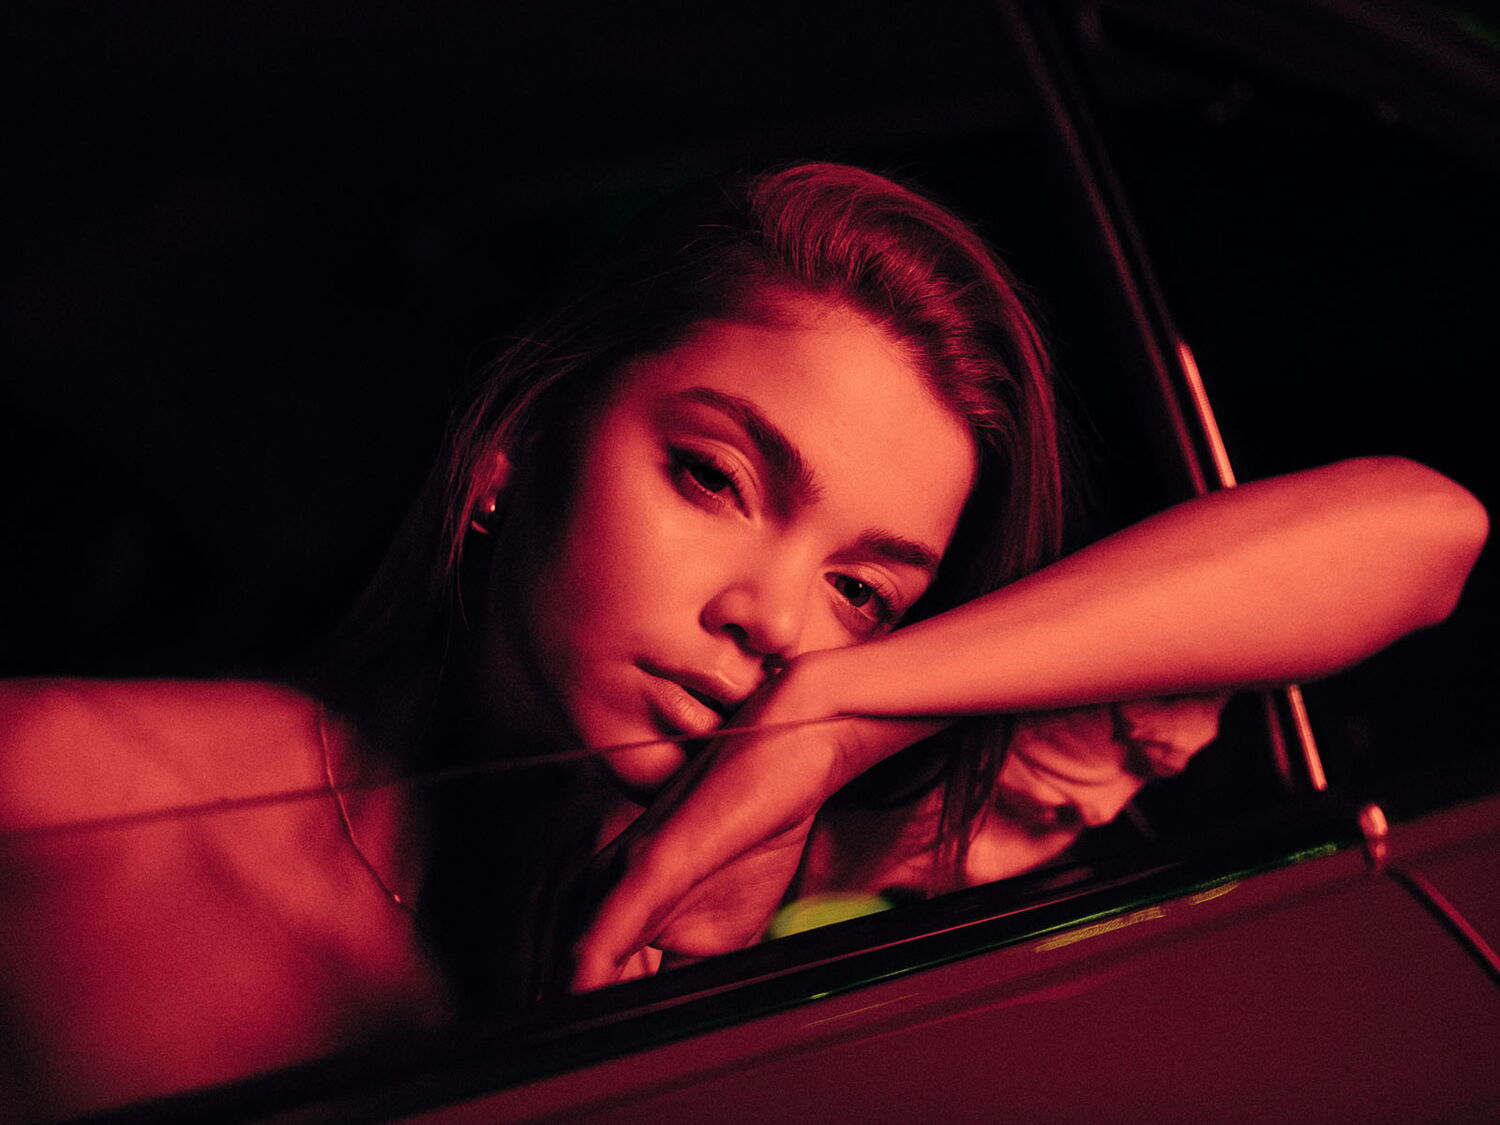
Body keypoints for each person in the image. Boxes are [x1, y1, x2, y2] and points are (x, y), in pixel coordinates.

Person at [0, 163, 1487, 1118]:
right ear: (518, 441)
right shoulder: (55, 793)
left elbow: (1425, 534)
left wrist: (848, 709)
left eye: (864, 591)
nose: (770, 620)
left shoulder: (799, 909)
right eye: (714, 477)